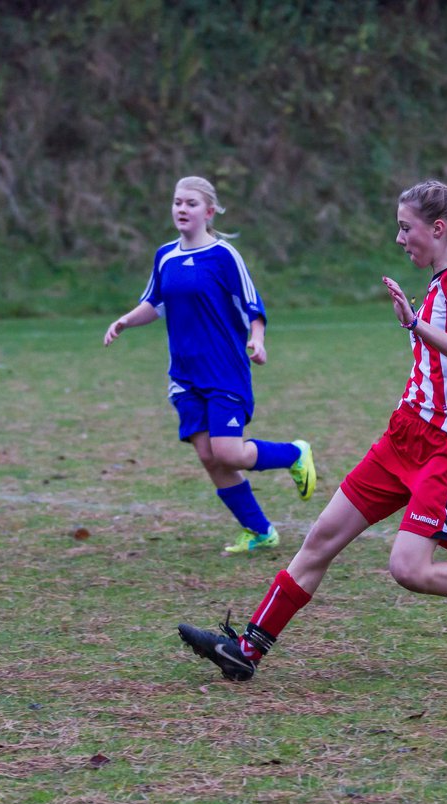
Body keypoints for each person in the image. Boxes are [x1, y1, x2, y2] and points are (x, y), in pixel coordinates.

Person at [177, 179, 447, 680]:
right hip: (403, 436)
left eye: (406, 228)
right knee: (320, 540)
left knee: (409, 569)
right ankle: (246, 651)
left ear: (437, 229)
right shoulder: (438, 288)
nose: (399, 239)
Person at [104, 176, 316, 553]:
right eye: (177, 202)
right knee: (207, 455)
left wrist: (257, 339)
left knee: (229, 453)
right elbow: (154, 303)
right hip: (184, 375)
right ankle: (259, 531)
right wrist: (124, 320)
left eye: (190, 203)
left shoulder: (224, 256)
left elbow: (253, 305)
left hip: (224, 371)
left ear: (209, 211)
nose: (181, 209)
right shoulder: (165, 256)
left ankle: (294, 453)